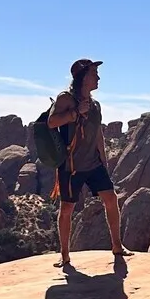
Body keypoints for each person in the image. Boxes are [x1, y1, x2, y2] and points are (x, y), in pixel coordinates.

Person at [48, 58, 128, 269]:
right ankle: (64, 255)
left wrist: (103, 159)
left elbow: (98, 133)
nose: (98, 77)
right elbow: (51, 122)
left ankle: (117, 246)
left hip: (93, 164)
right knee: (67, 208)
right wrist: (74, 113)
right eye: (94, 73)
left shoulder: (95, 105)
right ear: (83, 77)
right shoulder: (66, 98)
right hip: (71, 166)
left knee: (111, 198)